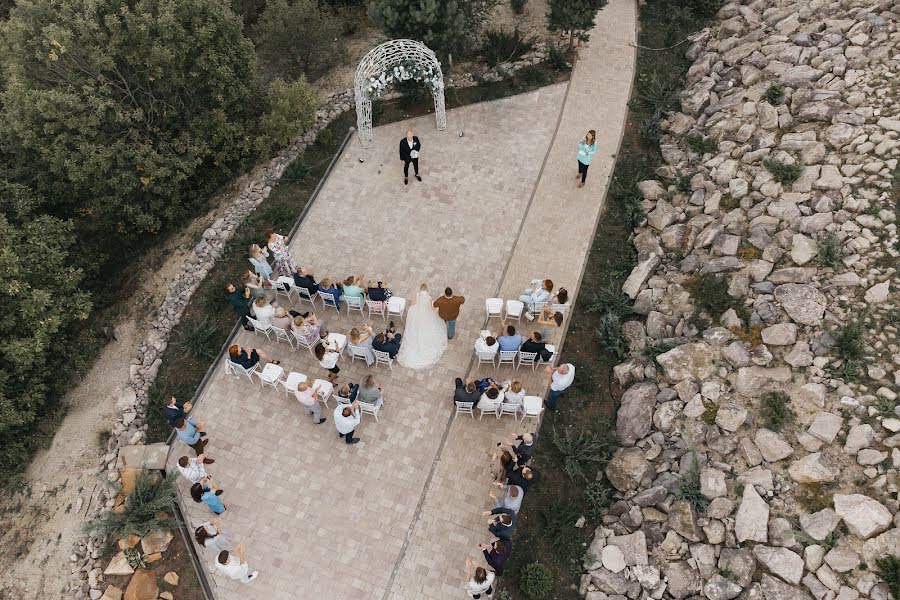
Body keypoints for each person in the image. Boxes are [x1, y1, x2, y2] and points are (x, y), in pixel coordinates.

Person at [396, 284, 448, 369]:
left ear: (420, 290)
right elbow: (431, 307)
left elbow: (413, 304)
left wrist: (415, 310)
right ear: (427, 290)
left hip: (418, 314)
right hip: (426, 314)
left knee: (416, 328)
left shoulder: (417, 295)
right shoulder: (429, 297)